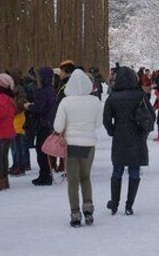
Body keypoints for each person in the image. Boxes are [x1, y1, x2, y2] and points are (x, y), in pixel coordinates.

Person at [53, 68, 103, 227]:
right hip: (89, 144)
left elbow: (58, 126)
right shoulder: (95, 101)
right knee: (86, 177)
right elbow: (98, 124)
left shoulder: (65, 102)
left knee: (73, 181)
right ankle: (88, 208)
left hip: (71, 144)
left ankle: (75, 214)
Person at [102, 66, 152, 216]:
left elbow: (106, 119)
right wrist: (144, 130)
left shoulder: (113, 97)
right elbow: (150, 114)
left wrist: (112, 130)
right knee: (134, 171)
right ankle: (129, 205)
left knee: (117, 170)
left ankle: (114, 203)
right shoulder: (139, 95)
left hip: (119, 137)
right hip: (137, 137)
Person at [24, 66, 57, 186]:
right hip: (48, 123)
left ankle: (45, 176)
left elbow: (39, 108)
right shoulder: (51, 90)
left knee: (41, 150)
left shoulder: (44, 91)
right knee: (43, 150)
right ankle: (44, 174)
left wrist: (29, 106)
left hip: (43, 123)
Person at [9, 69, 31, 176]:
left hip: (18, 121)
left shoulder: (20, 90)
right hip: (13, 122)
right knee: (14, 146)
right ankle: (16, 164)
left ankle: (20, 166)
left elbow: (21, 104)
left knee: (18, 146)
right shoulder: (12, 89)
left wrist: (11, 109)